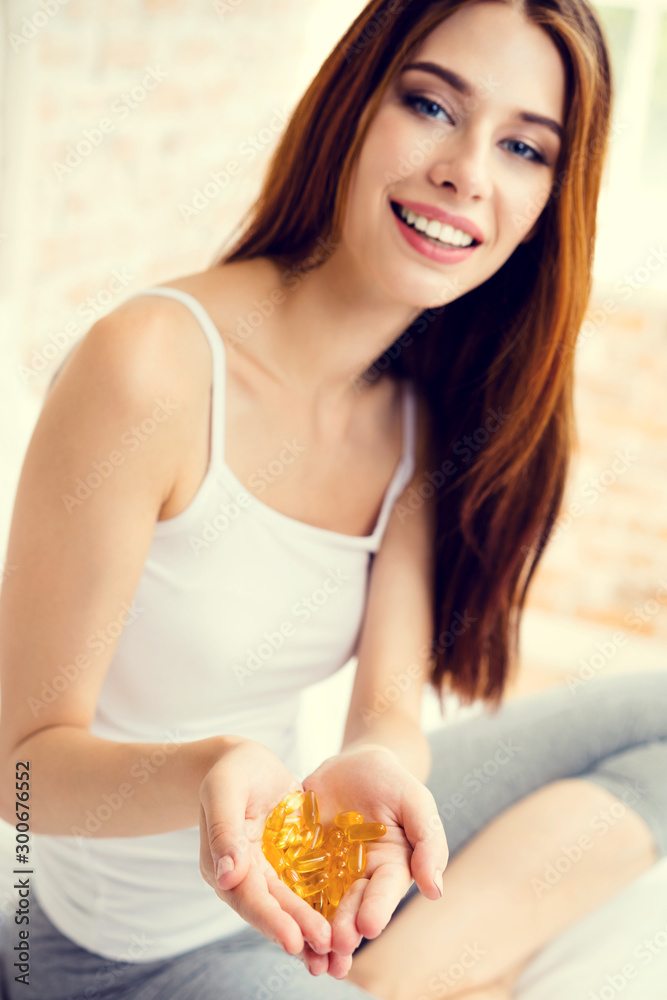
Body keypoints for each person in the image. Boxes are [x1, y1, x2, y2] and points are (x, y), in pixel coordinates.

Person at [1, 0, 666, 997]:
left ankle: (377, 975)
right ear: (353, 102)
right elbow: (18, 770)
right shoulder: (153, 367)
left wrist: (380, 772)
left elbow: (388, 712)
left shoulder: (410, 419)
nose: (467, 171)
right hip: (111, 959)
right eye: (433, 106)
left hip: (303, 862)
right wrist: (212, 771)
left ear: (548, 203)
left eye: (526, 146)